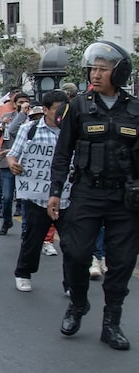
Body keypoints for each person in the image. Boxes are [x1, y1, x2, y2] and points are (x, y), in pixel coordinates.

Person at [49, 41, 139, 350]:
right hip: (87, 192)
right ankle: (78, 303)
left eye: (102, 69)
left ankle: (111, 323)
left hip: (125, 199)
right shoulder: (79, 106)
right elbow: (63, 153)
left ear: (119, 72)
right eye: (93, 69)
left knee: (123, 261)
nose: (96, 75)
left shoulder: (135, 108)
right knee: (75, 253)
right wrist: (56, 192)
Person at [7, 90, 68, 292]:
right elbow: (13, 155)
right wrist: (14, 163)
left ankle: (72, 282)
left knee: (72, 244)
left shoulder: (72, 130)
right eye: (56, 110)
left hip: (66, 198)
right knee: (33, 238)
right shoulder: (29, 129)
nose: (60, 114)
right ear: (45, 110)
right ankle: (23, 273)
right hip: (37, 196)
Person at [0, 92, 29, 236]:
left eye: (26, 102)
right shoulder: (7, 117)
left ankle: (26, 227)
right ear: (14, 104)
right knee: (7, 197)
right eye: (20, 102)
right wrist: (1, 126)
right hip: (8, 163)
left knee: (25, 198)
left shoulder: (34, 117)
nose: (23, 105)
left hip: (25, 163)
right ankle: (7, 221)